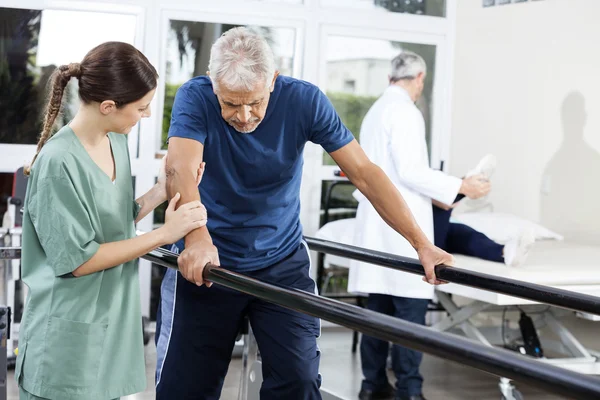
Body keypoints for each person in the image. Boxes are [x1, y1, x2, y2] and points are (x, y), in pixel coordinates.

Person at [155, 27, 453, 400]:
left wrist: (421, 244)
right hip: (208, 265)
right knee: (186, 390)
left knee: (298, 382)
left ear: (273, 81)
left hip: (280, 264)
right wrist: (198, 238)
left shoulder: (305, 100)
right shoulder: (194, 97)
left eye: (255, 102)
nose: (244, 116)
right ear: (213, 85)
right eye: (230, 104)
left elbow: (365, 173)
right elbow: (180, 168)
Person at [16, 42, 207, 400]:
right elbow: (80, 259)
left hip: (110, 327)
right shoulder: (57, 163)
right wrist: (166, 233)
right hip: (66, 339)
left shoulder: (115, 141)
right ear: (108, 106)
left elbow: (112, 218)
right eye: (141, 108)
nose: (147, 115)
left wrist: (161, 191)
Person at [347, 51, 492, 400]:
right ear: (420, 79)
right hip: (400, 231)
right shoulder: (406, 113)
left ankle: (372, 386)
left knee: (377, 316)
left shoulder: (376, 111)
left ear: (389, 79)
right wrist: (461, 185)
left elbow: (392, 173)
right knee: (410, 315)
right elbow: (411, 172)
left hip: (377, 228)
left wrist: (446, 191)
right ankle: (410, 391)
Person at [433, 155, 536, 268]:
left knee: (469, 236)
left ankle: (506, 252)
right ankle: (463, 185)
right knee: (442, 206)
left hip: (445, 232)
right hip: (430, 239)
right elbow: (444, 205)